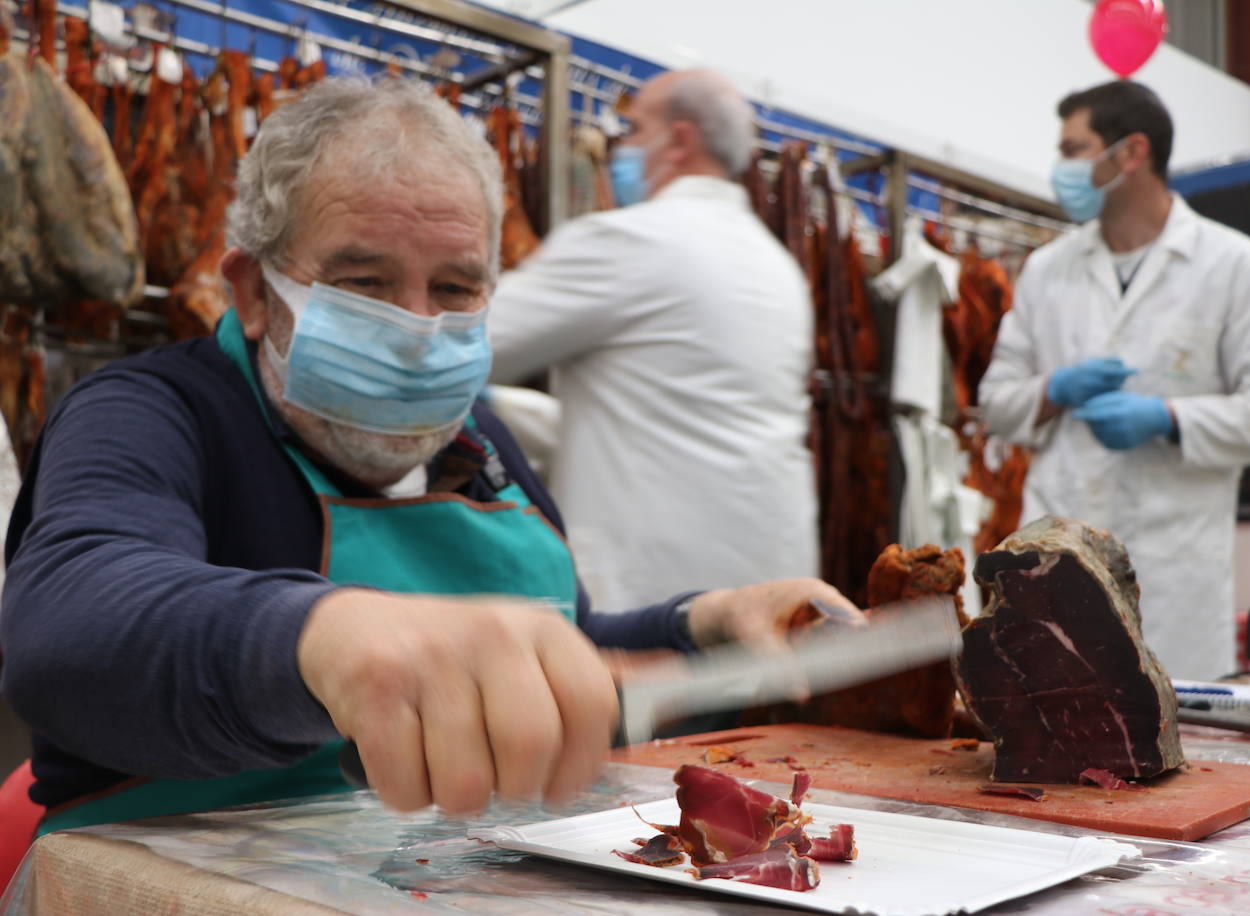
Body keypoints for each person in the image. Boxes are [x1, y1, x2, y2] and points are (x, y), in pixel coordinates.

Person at [0, 77, 858, 849]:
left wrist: (699, 622)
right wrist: (322, 641)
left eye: (454, 290)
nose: (417, 331)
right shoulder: (152, 411)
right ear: (255, 292)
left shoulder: (481, 444)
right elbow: (66, 628)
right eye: (365, 284)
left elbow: (554, 650)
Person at [978, 81, 1250, 681]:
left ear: (1131, 153)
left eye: (1074, 149)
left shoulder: (1235, 267)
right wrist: (1052, 390)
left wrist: (1170, 417)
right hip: (1051, 565)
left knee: (1170, 751)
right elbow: (996, 403)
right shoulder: (1048, 270)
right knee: (1048, 736)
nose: (1062, 169)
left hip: (1170, 574)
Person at [485, 69, 818, 611]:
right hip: (773, 590)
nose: (624, 148)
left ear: (680, 140)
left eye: (635, 130)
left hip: (652, 602)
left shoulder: (631, 242)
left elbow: (463, 348)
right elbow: (675, 413)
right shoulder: (777, 267)